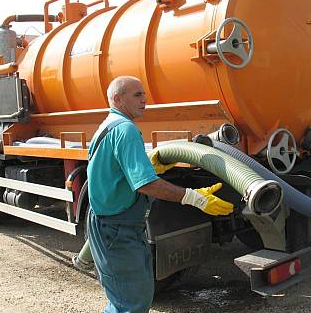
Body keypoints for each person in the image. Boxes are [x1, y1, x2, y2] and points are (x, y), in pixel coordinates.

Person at [87, 76, 234, 313]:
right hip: (116, 228)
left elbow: (114, 172)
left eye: (144, 94)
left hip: (111, 224)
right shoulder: (126, 129)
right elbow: (146, 185)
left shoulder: (109, 125)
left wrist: (149, 166)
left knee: (128, 298)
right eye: (137, 95)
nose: (145, 99)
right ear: (117, 98)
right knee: (131, 303)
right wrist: (195, 197)